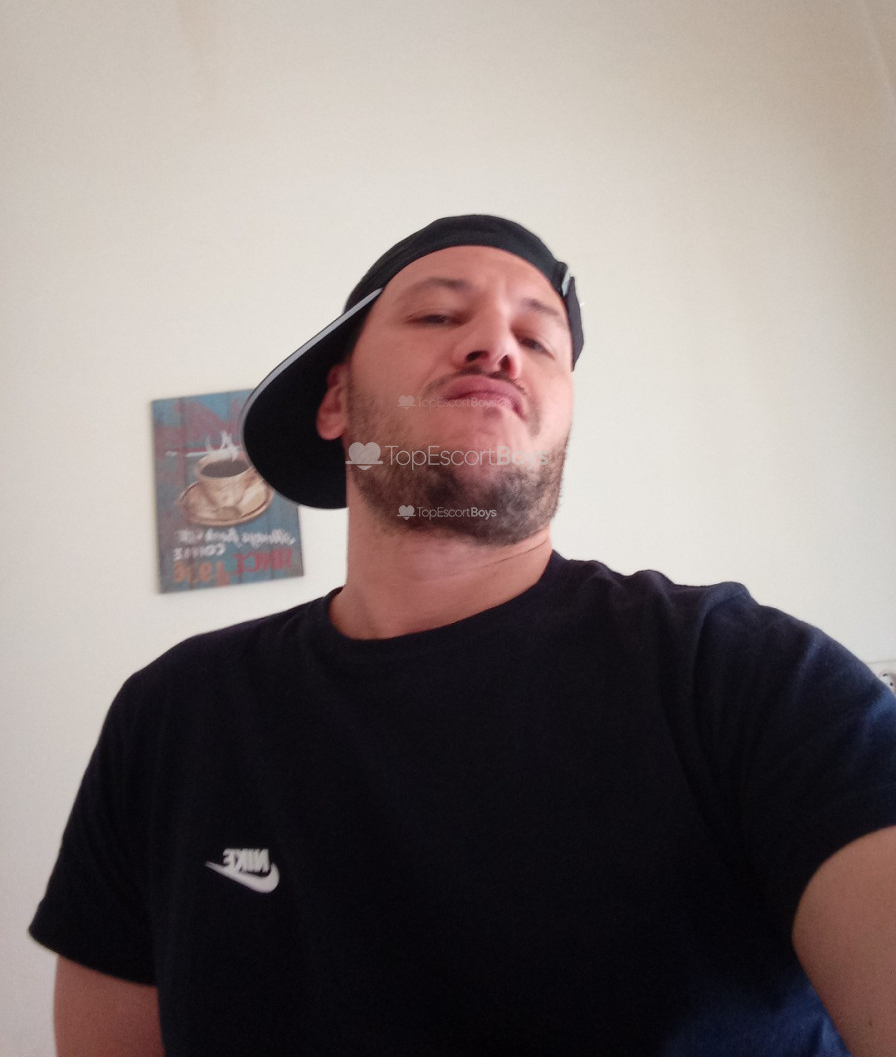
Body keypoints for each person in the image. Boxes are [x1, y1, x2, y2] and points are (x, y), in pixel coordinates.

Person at [30, 215, 896, 1056]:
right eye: (439, 315)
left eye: (540, 338)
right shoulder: (174, 713)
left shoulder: (746, 675)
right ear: (336, 400)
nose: (496, 346)